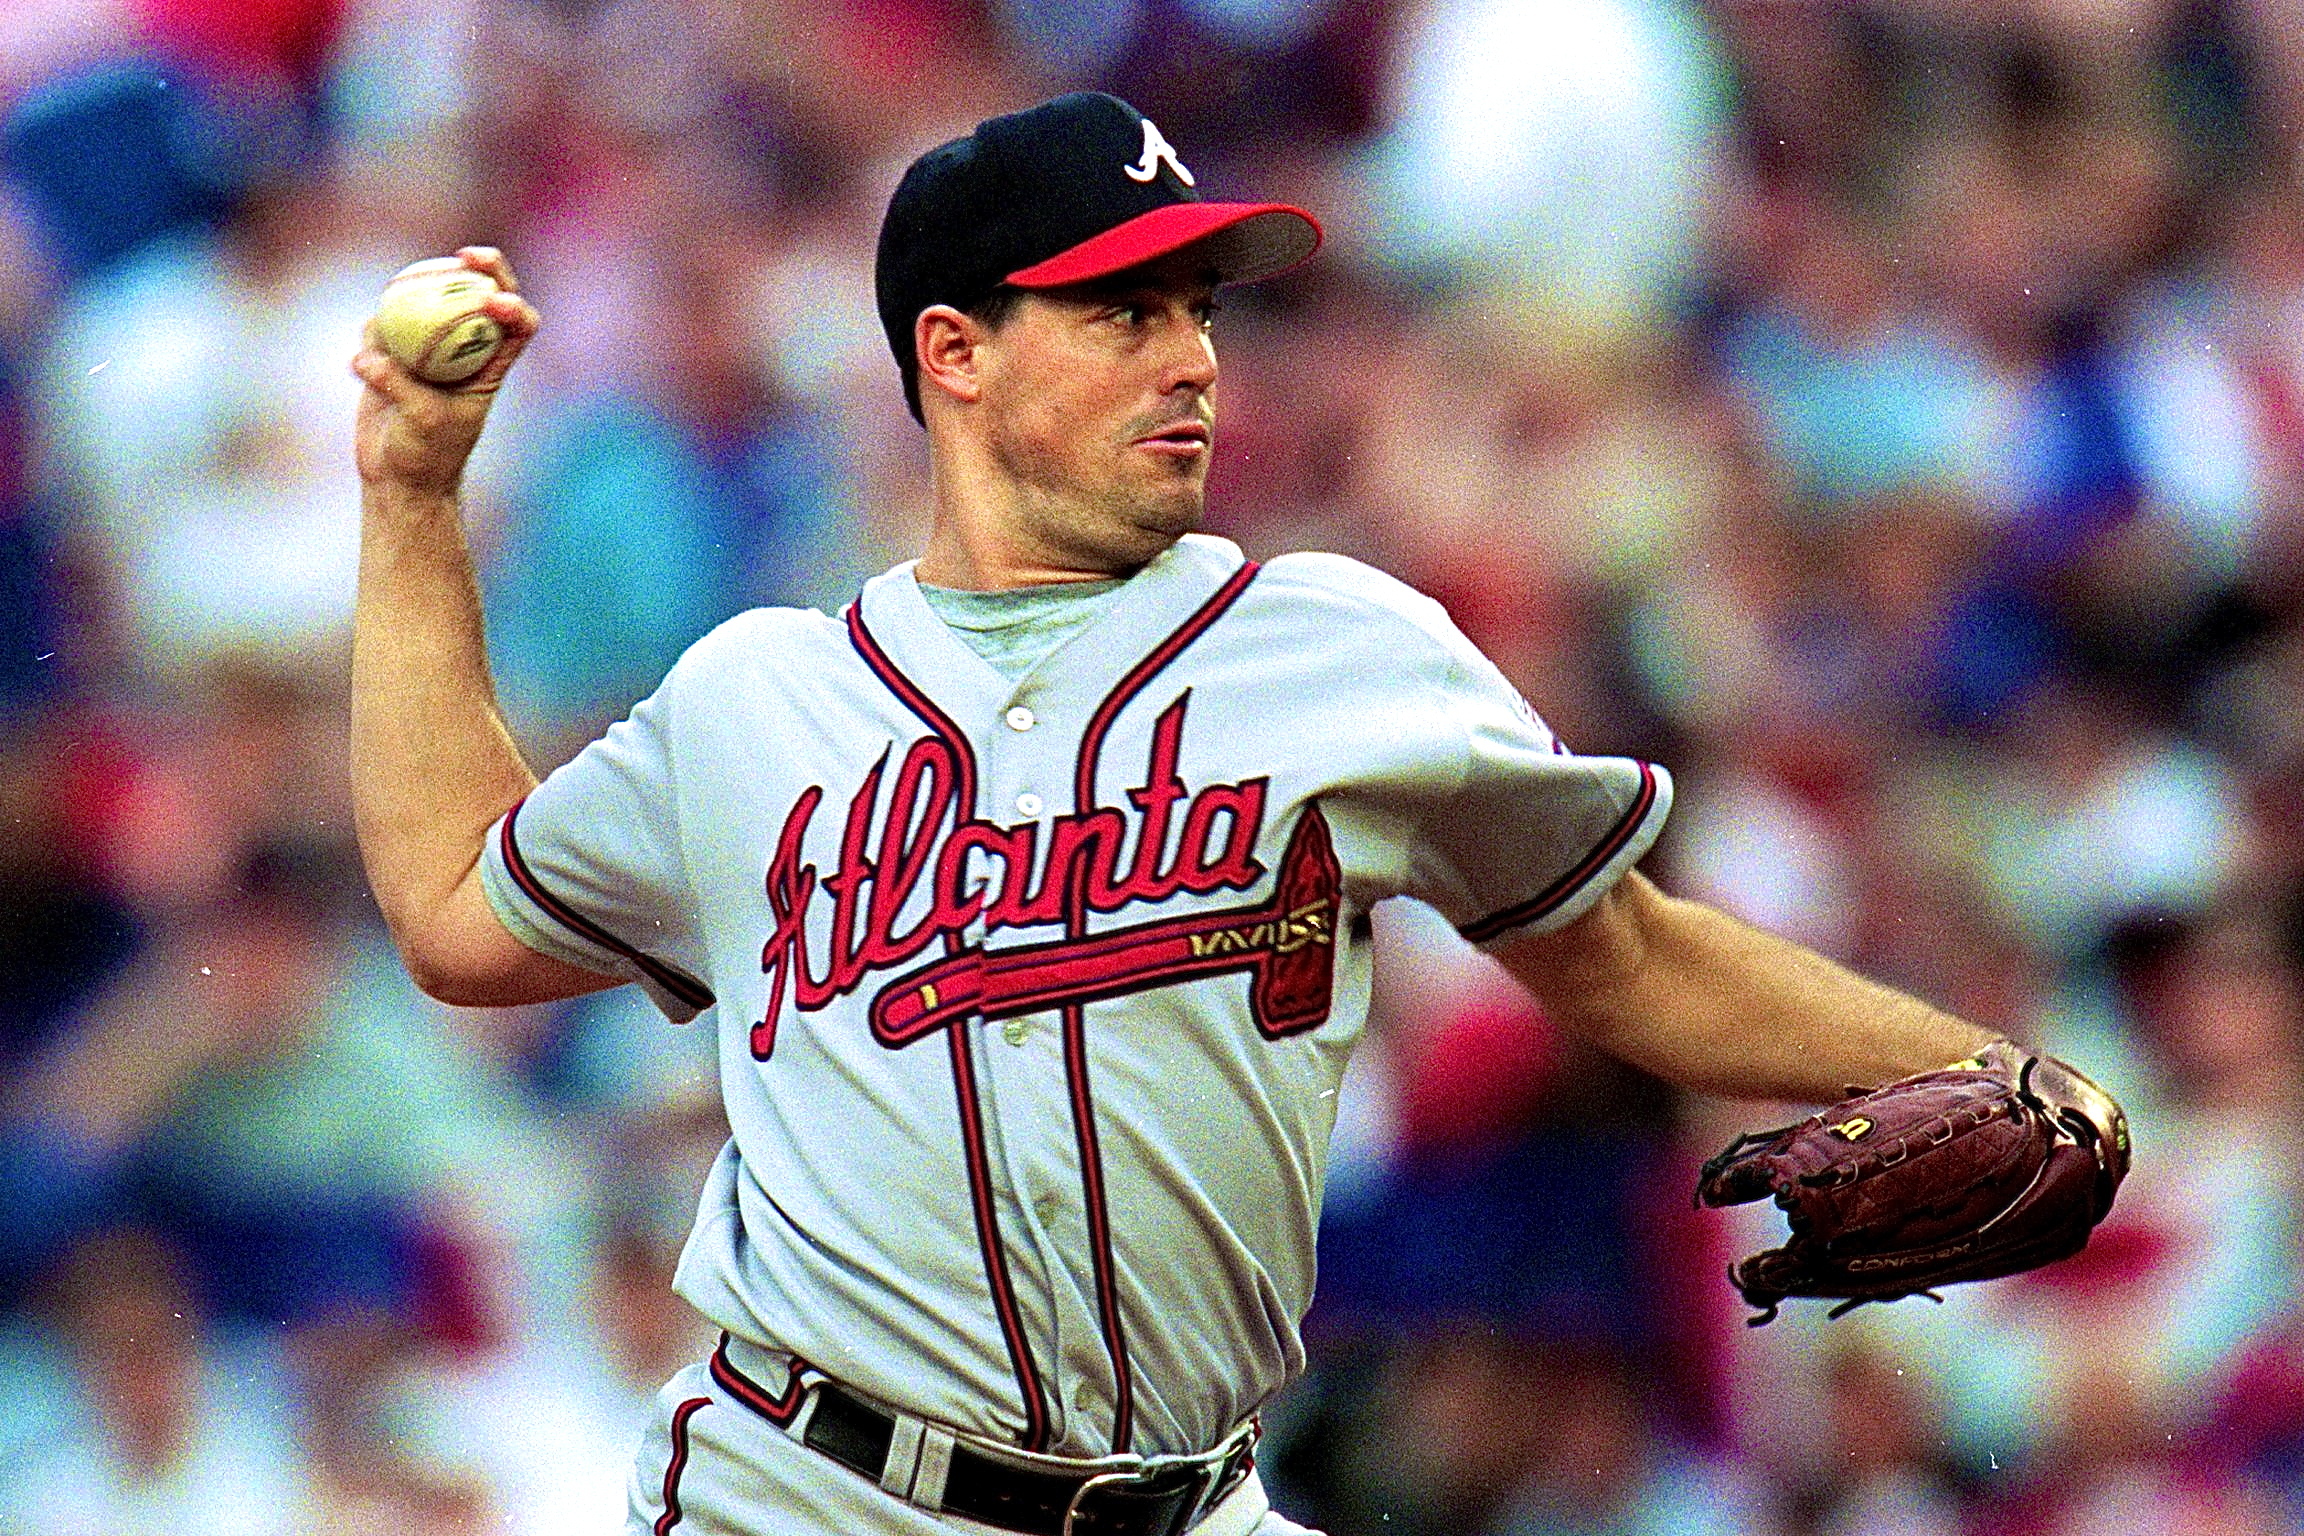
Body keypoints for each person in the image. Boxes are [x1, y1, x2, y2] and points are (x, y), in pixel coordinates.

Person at [348, 92, 2069, 1536]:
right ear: (953, 351)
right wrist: (416, 499)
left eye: (1200, 310)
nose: (1190, 358)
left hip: (1193, 1497)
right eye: (1122, 312)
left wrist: (1992, 1069)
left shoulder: (1342, 651)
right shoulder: (753, 702)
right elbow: (450, 912)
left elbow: (1626, 955)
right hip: (807, 1492)